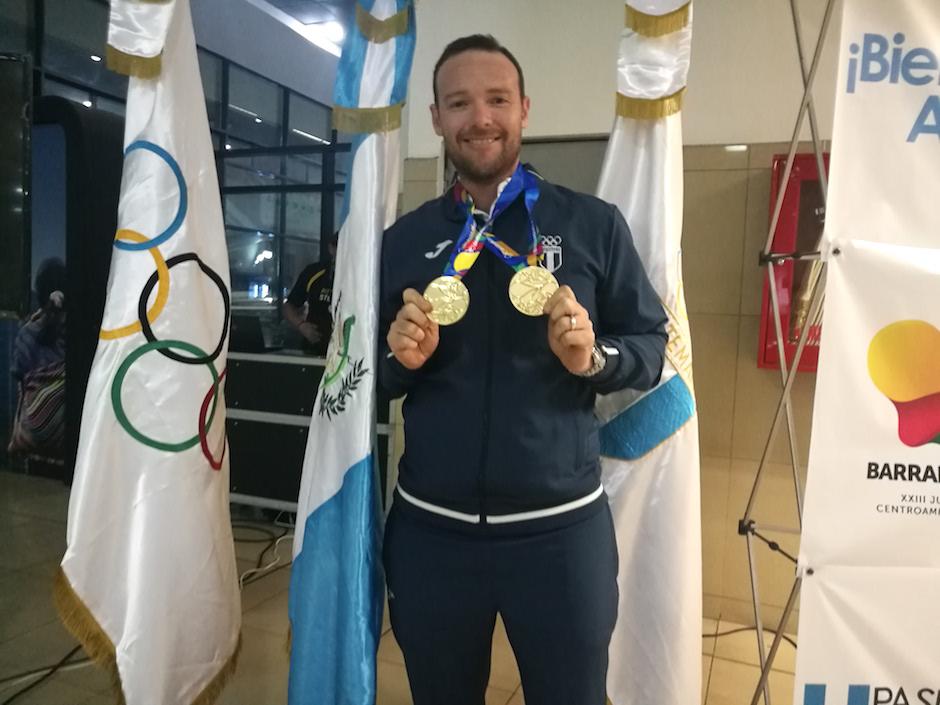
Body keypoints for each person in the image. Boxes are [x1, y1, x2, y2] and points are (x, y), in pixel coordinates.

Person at [378, 35, 668, 705]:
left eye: (497, 100)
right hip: (432, 534)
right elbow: (365, 375)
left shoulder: (592, 225)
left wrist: (592, 359)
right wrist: (400, 359)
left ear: (524, 110)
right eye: (460, 103)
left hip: (561, 539)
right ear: (436, 119)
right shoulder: (402, 240)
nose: (481, 117)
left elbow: (650, 347)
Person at [282, 232, 337, 356]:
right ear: (331, 249)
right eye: (340, 247)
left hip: (347, 352)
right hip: (314, 348)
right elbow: (288, 306)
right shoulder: (314, 272)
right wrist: (301, 325)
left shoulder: (360, 277)